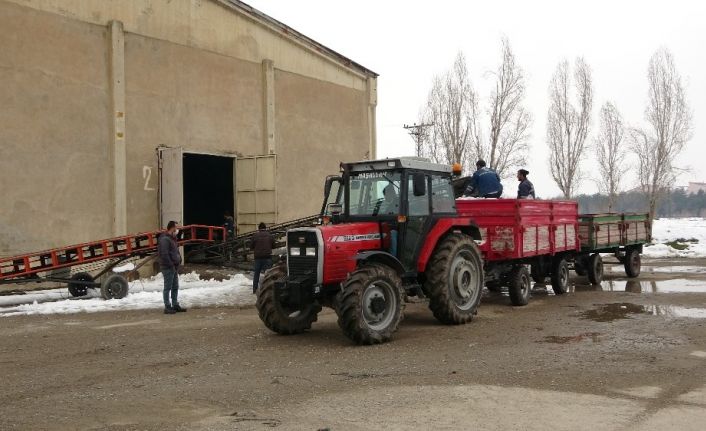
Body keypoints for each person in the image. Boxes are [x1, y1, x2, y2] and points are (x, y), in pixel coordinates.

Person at [158, 221, 185, 314]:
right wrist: (171, 265)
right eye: (176, 227)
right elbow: (164, 254)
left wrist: (179, 260)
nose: (177, 229)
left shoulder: (172, 239)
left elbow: (175, 251)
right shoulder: (165, 239)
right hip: (168, 267)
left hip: (174, 267)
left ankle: (175, 304)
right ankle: (167, 306)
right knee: (167, 287)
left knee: (175, 287)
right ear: (172, 228)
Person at [251, 222, 275, 294]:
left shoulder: (255, 236)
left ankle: (255, 290)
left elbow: (251, 247)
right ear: (265, 228)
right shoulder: (270, 235)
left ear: (259, 229)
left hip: (258, 258)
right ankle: (268, 290)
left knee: (256, 274)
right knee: (268, 275)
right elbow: (274, 246)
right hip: (267, 258)